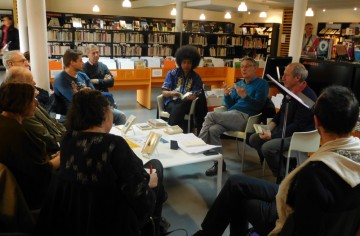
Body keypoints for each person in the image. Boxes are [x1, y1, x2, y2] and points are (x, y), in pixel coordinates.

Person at [192, 85, 360, 236]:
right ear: (354, 125)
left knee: (239, 198)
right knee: (235, 182)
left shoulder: (314, 174)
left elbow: (300, 226)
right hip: (300, 201)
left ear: (316, 121)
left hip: (287, 217)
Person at [33, 90, 167, 236]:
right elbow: (142, 199)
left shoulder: (67, 139)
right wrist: (149, 184)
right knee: (156, 168)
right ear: (104, 113)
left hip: (80, 216)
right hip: (114, 220)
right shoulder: (114, 145)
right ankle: (154, 229)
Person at [200, 57, 269, 176]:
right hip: (232, 114)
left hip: (246, 118)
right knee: (213, 129)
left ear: (255, 69)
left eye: (247, 66)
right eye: (242, 66)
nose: (243, 69)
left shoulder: (262, 84)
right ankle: (219, 164)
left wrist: (245, 96)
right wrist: (226, 95)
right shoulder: (239, 84)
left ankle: (198, 144)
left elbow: (258, 106)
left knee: (210, 115)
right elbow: (231, 105)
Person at [249, 63, 317, 178]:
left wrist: (272, 136)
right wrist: (269, 127)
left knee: (267, 147)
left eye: (286, 75)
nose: (283, 78)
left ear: (297, 78)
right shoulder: (289, 92)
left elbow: (297, 126)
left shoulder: (307, 98)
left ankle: (283, 178)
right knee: (254, 138)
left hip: (299, 136)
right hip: (286, 129)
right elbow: (281, 112)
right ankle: (285, 164)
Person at [0, 82, 60, 210]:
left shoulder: (5, 123)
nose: (37, 103)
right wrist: (64, 155)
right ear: (20, 102)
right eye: (33, 99)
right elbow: (42, 170)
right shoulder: (17, 132)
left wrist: (54, 156)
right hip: (29, 194)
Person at [53, 49, 126, 125]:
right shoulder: (61, 79)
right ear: (72, 63)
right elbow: (76, 100)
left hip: (91, 108)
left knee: (120, 116)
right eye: (80, 60)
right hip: (78, 113)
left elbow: (94, 94)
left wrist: (83, 93)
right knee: (101, 120)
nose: (83, 63)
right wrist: (87, 93)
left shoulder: (82, 75)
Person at [4, 67, 66, 155]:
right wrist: (68, 139)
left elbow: (53, 121)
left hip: (58, 144)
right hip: (51, 152)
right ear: (19, 84)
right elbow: (47, 140)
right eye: (30, 80)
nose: (34, 83)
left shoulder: (30, 102)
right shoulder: (23, 111)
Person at [161, 45, 203, 131]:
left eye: (189, 62)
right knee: (177, 109)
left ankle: (169, 130)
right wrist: (171, 93)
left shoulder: (196, 77)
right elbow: (164, 92)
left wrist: (192, 96)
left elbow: (197, 94)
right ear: (180, 62)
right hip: (172, 101)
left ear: (193, 63)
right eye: (184, 62)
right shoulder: (172, 73)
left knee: (182, 105)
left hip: (188, 103)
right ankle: (179, 133)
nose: (186, 65)